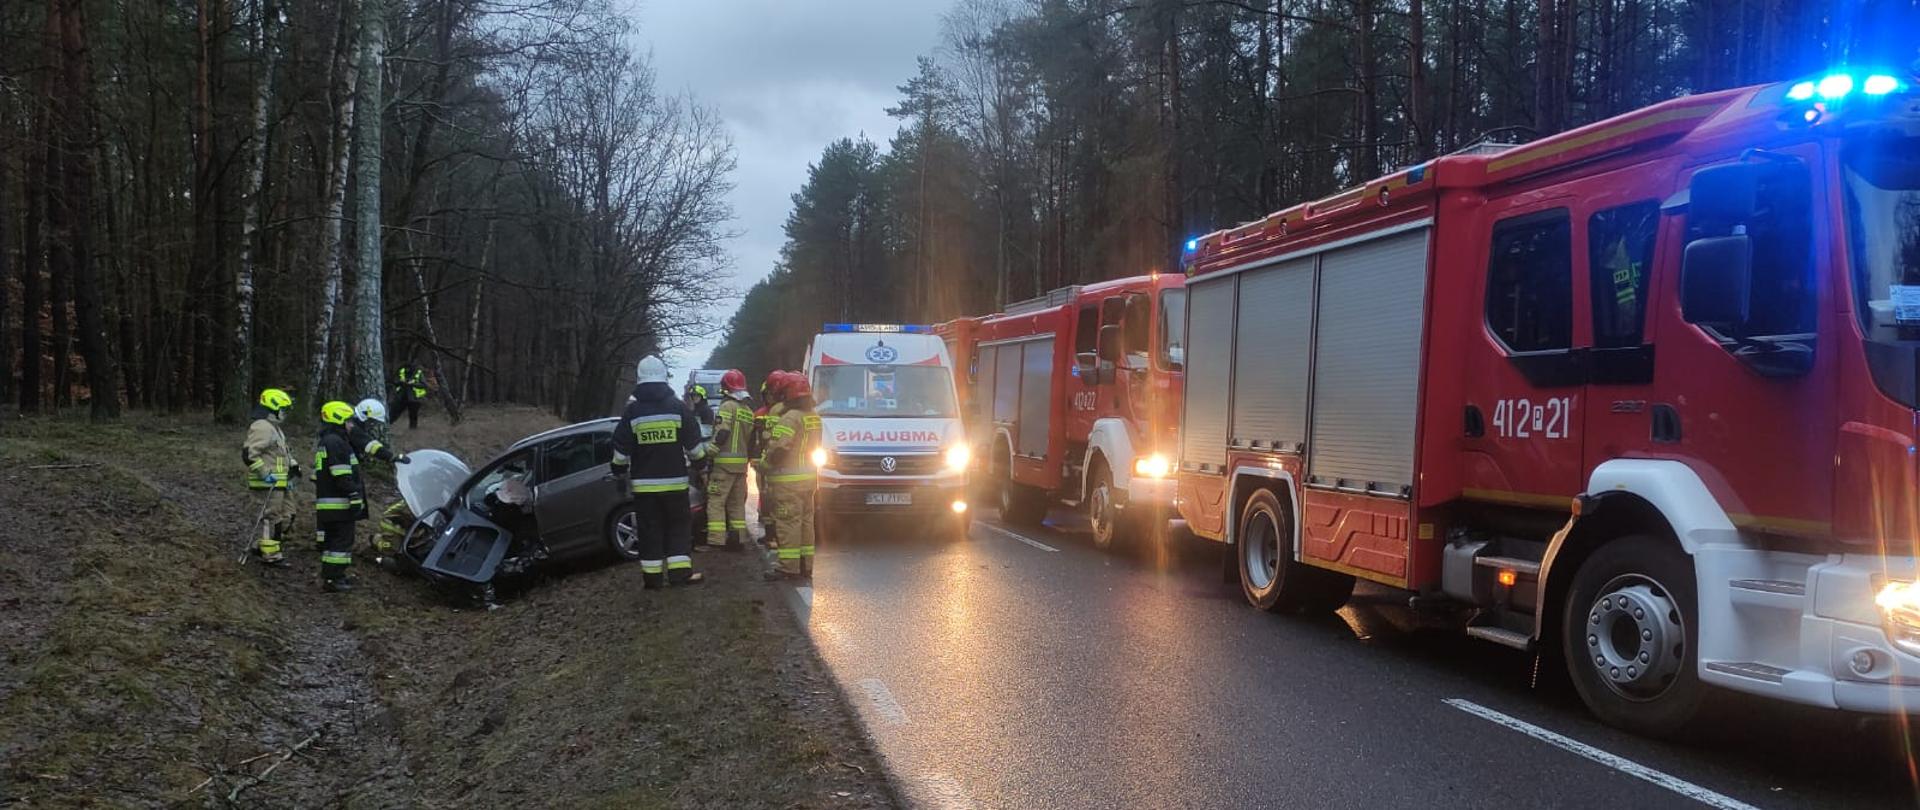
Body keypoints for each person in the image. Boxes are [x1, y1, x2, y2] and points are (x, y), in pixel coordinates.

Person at [612, 355, 709, 589]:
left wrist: (618, 470)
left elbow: (620, 451)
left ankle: (653, 579)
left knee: (649, 530)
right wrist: (701, 465)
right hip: (675, 485)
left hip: (645, 488)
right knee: (678, 527)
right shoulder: (678, 408)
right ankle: (679, 576)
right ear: (664, 378)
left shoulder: (632, 412)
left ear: (640, 380)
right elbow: (695, 448)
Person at [763, 374, 821, 581]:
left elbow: (780, 448)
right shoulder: (813, 416)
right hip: (809, 479)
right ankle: (806, 565)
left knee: (788, 522)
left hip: (788, 482)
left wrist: (766, 464)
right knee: (806, 522)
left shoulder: (790, 417)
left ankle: (788, 568)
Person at [314, 401, 369, 592]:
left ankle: (333, 576)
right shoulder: (336, 443)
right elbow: (341, 474)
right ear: (339, 420)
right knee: (341, 542)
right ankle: (333, 579)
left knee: (333, 543)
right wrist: (354, 495)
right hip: (338, 504)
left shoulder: (328, 441)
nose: (351, 425)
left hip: (328, 503)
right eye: (348, 421)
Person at [241, 388, 299, 567]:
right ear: (273, 408)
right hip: (267, 484)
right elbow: (250, 454)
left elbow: (281, 453)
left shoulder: (274, 428)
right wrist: (266, 474)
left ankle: (263, 546)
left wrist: (294, 466)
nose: (285, 413)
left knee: (283, 515)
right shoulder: (262, 427)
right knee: (270, 517)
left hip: (280, 483)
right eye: (283, 409)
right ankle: (270, 554)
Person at [349, 398, 412, 562]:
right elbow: (370, 445)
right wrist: (392, 457)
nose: (371, 425)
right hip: (345, 472)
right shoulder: (352, 428)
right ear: (365, 415)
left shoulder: (351, 425)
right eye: (371, 421)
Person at [703, 370, 753, 552]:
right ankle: (738, 540)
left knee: (716, 502)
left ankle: (716, 541)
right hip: (741, 466)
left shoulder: (727, 407)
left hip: (723, 466)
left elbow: (722, 431)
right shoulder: (748, 410)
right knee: (737, 505)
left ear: (726, 387)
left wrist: (710, 451)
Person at [390, 363, 429, 429]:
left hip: (414, 398)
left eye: (408, 369)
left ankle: (412, 431)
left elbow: (424, 385)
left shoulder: (418, 373)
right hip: (402, 397)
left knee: (413, 416)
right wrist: (401, 382)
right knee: (394, 412)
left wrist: (412, 384)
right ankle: (387, 425)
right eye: (406, 368)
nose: (407, 370)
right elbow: (395, 381)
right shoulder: (401, 371)